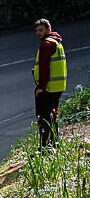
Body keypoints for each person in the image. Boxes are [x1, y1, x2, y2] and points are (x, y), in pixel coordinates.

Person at [32, 18, 67, 148]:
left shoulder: (46, 44)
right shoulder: (57, 42)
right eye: (36, 30)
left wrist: (41, 87)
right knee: (52, 117)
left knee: (44, 119)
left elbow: (45, 67)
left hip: (48, 88)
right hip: (57, 86)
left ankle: (46, 148)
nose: (38, 33)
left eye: (41, 30)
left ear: (48, 29)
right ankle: (54, 145)